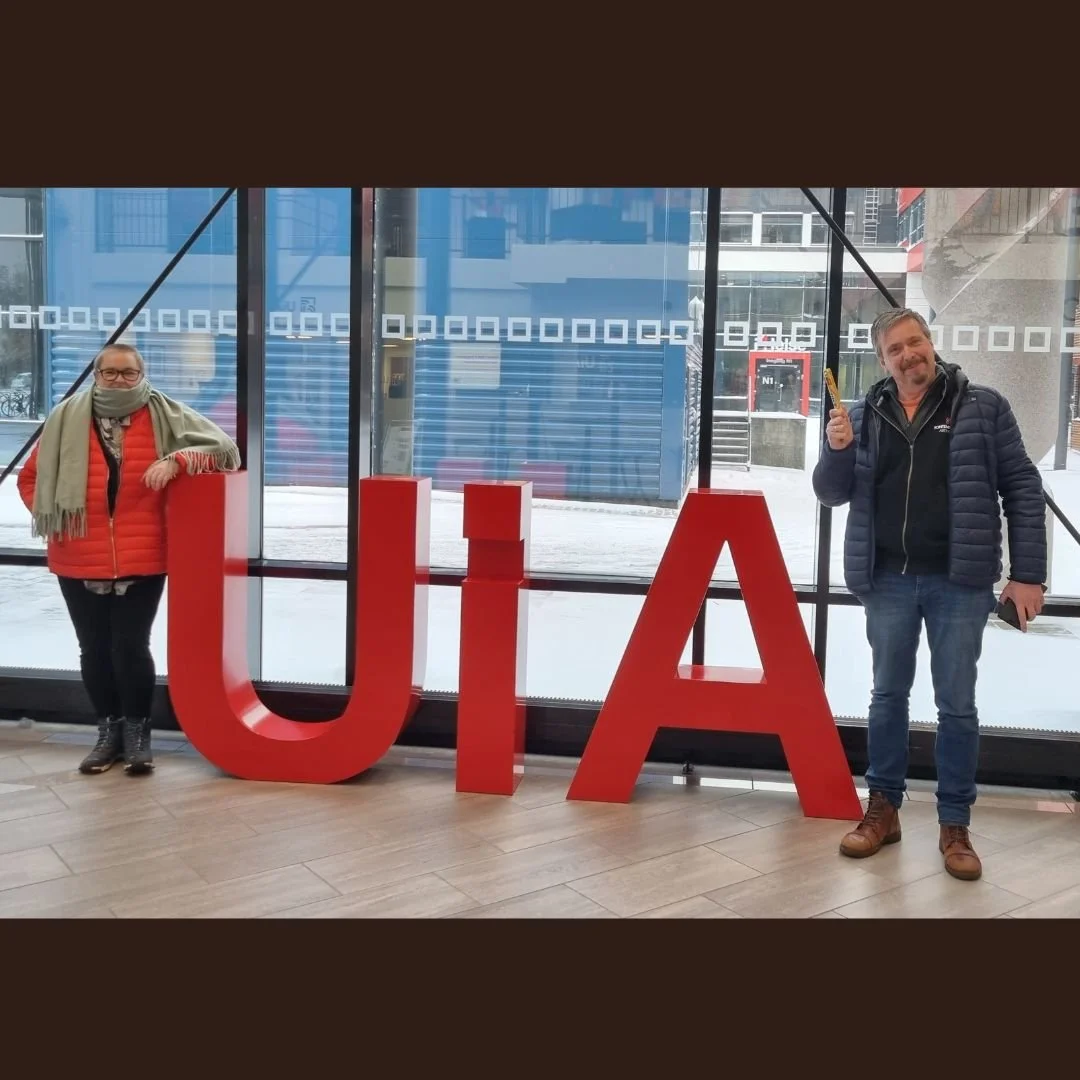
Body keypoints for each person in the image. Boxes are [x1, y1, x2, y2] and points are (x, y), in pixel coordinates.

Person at [812, 308, 1047, 881]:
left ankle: (954, 824)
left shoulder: (982, 406)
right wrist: (836, 448)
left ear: (930, 343)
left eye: (914, 342)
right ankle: (884, 810)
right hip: (887, 578)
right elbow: (830, 493)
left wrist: (1029, 573)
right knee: (887, 696)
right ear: (883, 359)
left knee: (956, 704)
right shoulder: (863, 415)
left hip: (958, 581)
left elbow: (1022, 486)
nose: (908, 354)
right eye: (895, 349)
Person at [16, 343, 239, 776]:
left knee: (131, 647)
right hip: (77, 552)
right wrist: (57, 518)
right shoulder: (65, 419)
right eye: (110, 372)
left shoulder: (164, 415)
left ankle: (138, 736)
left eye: (128, 373)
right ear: (96, 374)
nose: (119, 380)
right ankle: (108, 733)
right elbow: (31, 478)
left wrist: (178, 459)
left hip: (144, 554)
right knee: (94, 648)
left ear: (142, 375)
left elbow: (221, 449)